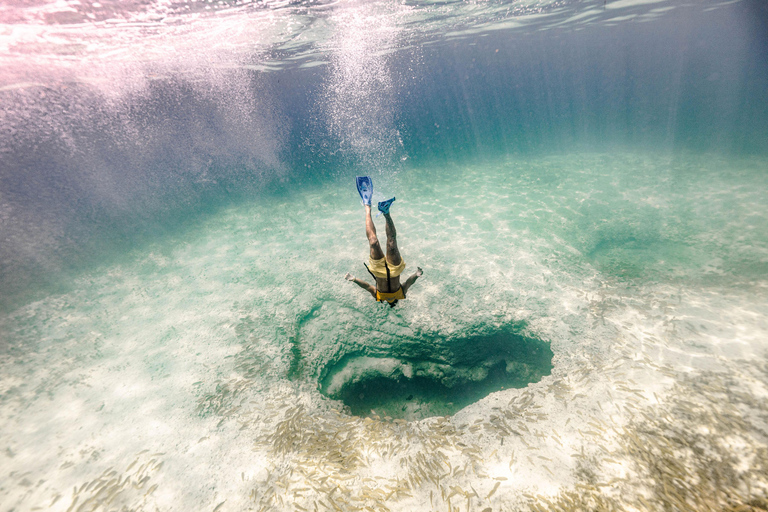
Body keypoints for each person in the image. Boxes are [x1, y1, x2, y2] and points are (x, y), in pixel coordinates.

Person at [344, 176, 422, 307]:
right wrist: (416, 274)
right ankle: (386, 212)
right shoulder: (401, 295)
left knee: (373, 241)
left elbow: (368, 286)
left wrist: (354, 279)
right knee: (391, 243)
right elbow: (408, 283)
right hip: (395, 269)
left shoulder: (378, 297)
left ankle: (367, 206)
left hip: (378, 269)